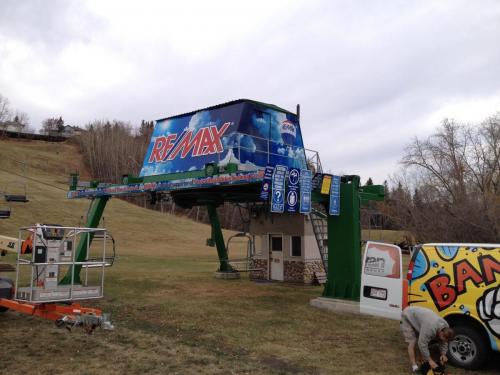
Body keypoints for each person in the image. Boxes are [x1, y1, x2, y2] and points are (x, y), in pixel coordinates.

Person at [400, 306, 455, 374]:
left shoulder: (445, 326)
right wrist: (430, 360)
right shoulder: (430, 329)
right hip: (408, 315)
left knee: (424, 338)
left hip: (421, 318)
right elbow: (422, 344)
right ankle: (414, 366)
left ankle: (423, 360)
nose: (444, 341)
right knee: (412, 341)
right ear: (441, 332)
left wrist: (443, 354)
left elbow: (444, 342)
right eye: (444, 339)